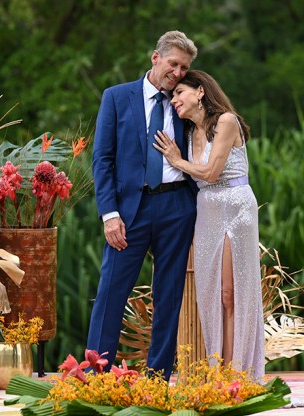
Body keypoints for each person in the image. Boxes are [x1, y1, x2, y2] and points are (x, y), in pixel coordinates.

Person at [87, 31, 199, 380]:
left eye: (184, 67)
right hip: (129, 211)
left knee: (168, 296)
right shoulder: (117, 97)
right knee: (111, 292)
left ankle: (158, 378)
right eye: (173, 64)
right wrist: (109, 214)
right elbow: (102, 160)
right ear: (155, 58)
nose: (178, 73)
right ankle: (97, 376)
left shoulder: (184, 102)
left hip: (178, 206)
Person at [154, 69, 265, 381]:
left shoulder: (226, 121)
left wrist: (177, 161)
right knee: (212, 294)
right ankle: (220, 371)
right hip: (207, 211)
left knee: (230, 293)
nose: (174, 99)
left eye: (179, 93)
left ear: (200, 91)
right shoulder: (189, 133)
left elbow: (213, 172)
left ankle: (235, 374)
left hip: (235, 205)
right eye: (172, 95)